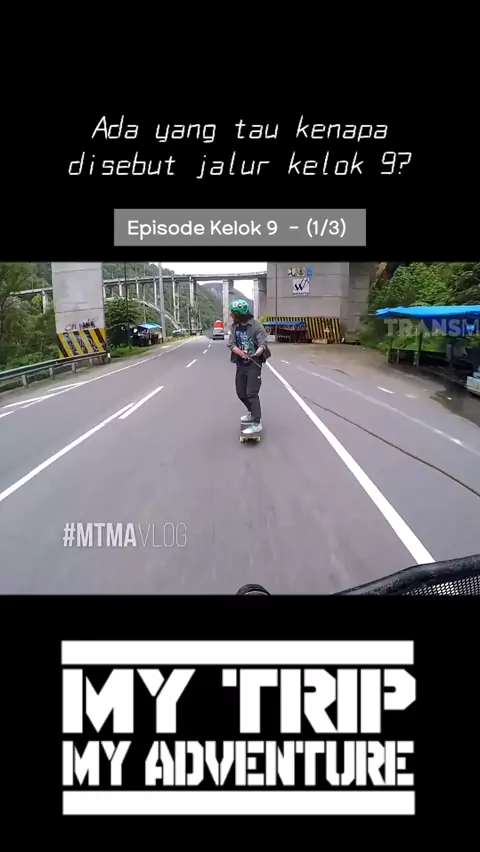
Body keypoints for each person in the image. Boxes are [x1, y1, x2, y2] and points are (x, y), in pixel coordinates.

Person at [227, 299, 268, 435]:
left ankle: (257, 422)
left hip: (254, 363)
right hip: (240, 363)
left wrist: (255, 354)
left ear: (240, 314)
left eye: (233, 314)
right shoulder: (234, 327)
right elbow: (231, 344)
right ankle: (251, 411)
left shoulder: (256, 326)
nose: (231, 316)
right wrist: (240, 352)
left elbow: (263, 345)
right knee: (241, 393)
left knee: (251, 393)